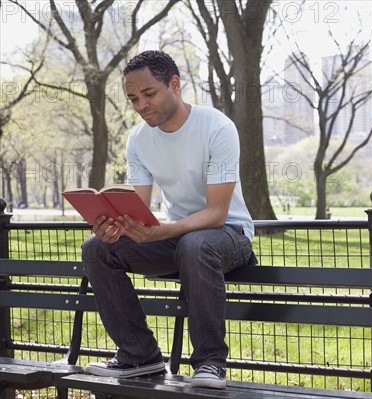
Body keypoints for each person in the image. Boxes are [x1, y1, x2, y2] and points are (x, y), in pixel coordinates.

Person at [81, 50, 256, 390]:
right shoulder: (139, 139)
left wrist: (162, 230)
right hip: (181, 241)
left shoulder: (218, 127)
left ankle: (210, 363)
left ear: (174, 85)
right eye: (133, 98)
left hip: (229, 235)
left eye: (149, 94)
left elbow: (217, 213)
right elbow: (138, 209)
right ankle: (138, 356)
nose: (141, 105)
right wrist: (116, 228)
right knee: (98, 248)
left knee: (196, 243)